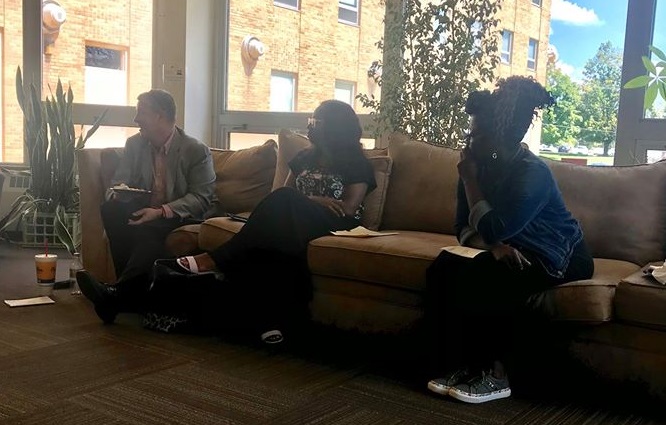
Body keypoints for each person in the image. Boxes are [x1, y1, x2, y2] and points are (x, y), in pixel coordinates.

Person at [425, 76, 594, 404]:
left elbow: (494, 227)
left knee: (492, 277)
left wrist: (470, 182)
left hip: (559, 253)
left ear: (497, 138)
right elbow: (462, 226)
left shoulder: (532, 173)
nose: (467, 141)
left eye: (475, 135)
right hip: (510, 245)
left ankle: (496, 375)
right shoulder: (476, 167)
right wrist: (494, 248)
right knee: (444, 266)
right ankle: (462, 364)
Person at [171, 99, 377, 344]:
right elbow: (282, 193)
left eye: (316, 122)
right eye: (310, 120)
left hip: (337, 222)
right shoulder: (304, 157)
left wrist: (313, 203)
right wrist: (314, 200)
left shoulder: (356, 162)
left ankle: (216, 259)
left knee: (283, 212)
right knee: (279, 242)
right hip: (299, 218)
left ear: (335, 127)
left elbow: (349, 208)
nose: (309, 126)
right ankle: (273, 321)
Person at [77, 89, 216, 324]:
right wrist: (117, 193)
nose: (136, 119)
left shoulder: (195, 150)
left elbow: (202, 197)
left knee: (149, 228)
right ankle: (128, 295)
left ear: (160, 116)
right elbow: (119, 181)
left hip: (179, 215)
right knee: (112, 210)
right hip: (144, 209)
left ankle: (117, 295)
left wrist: (161, 211)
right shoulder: (135, 144)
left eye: (141, 113)